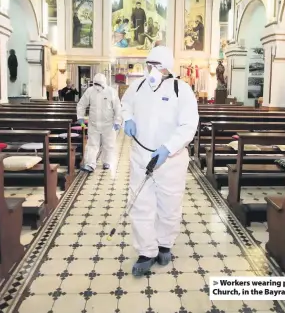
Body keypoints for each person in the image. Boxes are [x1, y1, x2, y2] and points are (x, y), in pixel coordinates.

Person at [121, 46, 199, 276]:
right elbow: (124, 105)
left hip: (170, 159)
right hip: (141, 155)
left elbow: (188, 125)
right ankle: (146, 251)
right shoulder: (137, 86)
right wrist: (127, 118)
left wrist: (168, 148)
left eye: (157, 65)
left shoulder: (181, 90)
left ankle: (165, 243)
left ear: (168, 67)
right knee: (139, 204)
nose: (152, 70)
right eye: (149, 65)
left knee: (169, 203)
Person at [77, 73, 121, 172]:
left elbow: (117, 107)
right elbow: (81, 104)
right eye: (96, 84)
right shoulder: (90, 91)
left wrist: (117, 121)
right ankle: (90, 164)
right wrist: (80, 117)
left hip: (108, 125)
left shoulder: (111, 92)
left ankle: (107, 162)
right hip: (94, 124)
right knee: (92, 144)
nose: (97, 87)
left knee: (109, 144)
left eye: (99, 84)